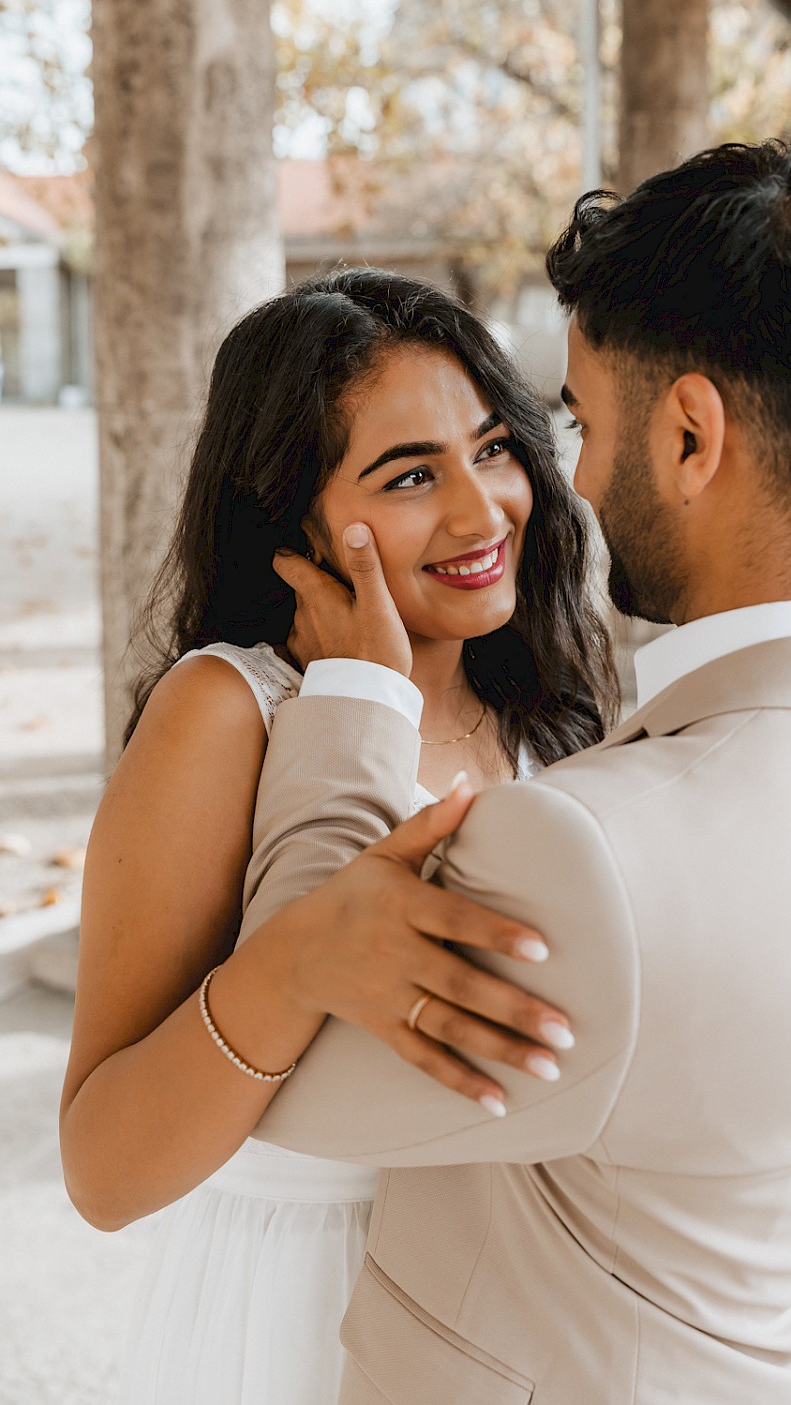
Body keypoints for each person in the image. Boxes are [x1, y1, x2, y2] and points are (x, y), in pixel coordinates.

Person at [229, 143, 791, 1404]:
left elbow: (290, 1088)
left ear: (691, 435)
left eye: (582, 421)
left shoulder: (592, 857)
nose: (565, 479)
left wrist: (352, 699)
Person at [60, 268, 619, 1403]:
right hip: (304, 1312)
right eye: (410, 476)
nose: (479, 513)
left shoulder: (552, 704)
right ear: (292, 515)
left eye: (493, 449)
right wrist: (300, 960)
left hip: (523, 1298)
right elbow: (103, 1173)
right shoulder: (227, 713)